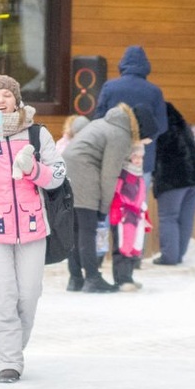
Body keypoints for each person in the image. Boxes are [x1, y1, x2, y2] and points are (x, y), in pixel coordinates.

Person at [0, 74, 66, 383]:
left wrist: (33, 169)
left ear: (17, 100)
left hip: (34, 227)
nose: (1, 100)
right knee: (3, 295)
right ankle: (9, 360)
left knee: (29, 295)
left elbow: (58, 175)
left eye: (7, 95)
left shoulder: (37, 134)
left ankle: (13, 348)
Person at [62, 103, 143, 293]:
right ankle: (92, 278)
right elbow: (109, 174)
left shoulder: (100, 123)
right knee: (87, 229)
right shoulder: (120, 135)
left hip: (68, 171)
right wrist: (103, 207)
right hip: (84, 173)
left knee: (75, 228)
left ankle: (75, 279)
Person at [93, 45, 168, 181]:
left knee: (112, 198)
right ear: (146, 66)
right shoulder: (154, 91)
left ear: (122, 64)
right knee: (138, 200)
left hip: (113, 154)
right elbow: (162, 126)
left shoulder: (109, 87)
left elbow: (98, 120)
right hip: (143, 158)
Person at [152, 102, 195, 266]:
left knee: (169, 217)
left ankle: (169, 257)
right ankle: (177, 255)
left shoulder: (160, 129)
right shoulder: (183, 126)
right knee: (186, 219)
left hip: (173, 179)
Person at [108, 141, 152, 291]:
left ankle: (129, 276)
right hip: (123, 216)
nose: (138, 160)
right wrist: (116, 210)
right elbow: (116, 194)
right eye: (135, 157)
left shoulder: (138, 174)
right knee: (122, 247)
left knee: (133, 246)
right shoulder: (124, 174)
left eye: (141, 157)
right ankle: (122, 279)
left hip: (135, 216)